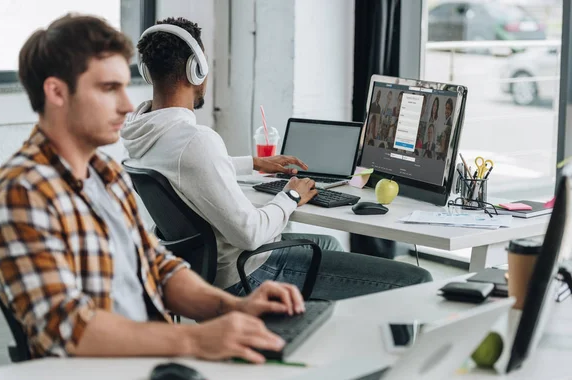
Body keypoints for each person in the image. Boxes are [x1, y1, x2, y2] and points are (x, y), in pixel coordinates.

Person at [0, 14, 308, 363]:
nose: (127, 105)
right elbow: (69, 328)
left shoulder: (103, 174)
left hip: (149, 361)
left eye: (124, 86)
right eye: (108, 88)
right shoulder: (22, 194)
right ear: (57, 92)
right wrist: (196, 339)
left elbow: (155, 265)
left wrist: (234, 306)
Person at [121, 17, 432, 301]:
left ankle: (310, 329)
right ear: (197, 69)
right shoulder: (196, 141)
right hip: (247, 274)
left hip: (198, 269)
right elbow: (250, 232)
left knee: (329, 245)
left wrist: (253, 163)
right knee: (418, 278)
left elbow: (185, 169)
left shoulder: (143, 131)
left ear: (148, 72)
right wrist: (291, 195)